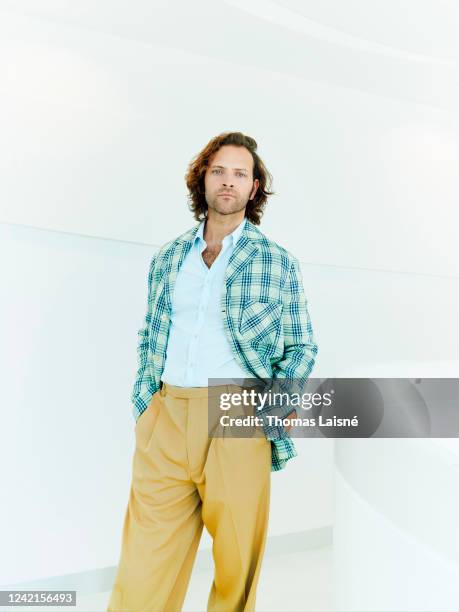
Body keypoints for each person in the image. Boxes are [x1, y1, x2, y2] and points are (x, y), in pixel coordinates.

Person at [107, 131, 318, 612]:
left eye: (240, 173)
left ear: (254, 186)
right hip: (167, 412)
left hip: (237, 411)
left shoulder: (277, 262)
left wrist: (275, 407)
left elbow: (301, 345)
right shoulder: (168, 257)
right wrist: (146, 406)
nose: (228, 181)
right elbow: (150, 333)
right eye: (218, 170)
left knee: (235, 563)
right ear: (201, 179)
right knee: (144, 562)